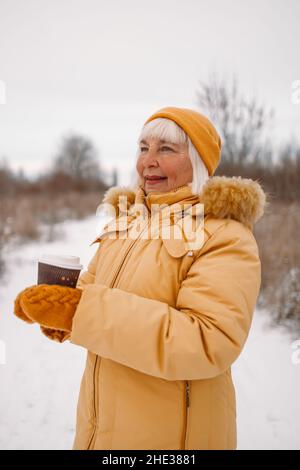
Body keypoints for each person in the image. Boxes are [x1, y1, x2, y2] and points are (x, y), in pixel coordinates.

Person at [14, 106, 267, 450]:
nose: (148, 160)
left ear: (198, 161)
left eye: (166, 149)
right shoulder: (126, 224)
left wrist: (80, 311)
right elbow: (89, 294)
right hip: (101, 432)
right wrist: (56, 310)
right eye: (143, 147)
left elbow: (209, 341)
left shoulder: (223, 235)